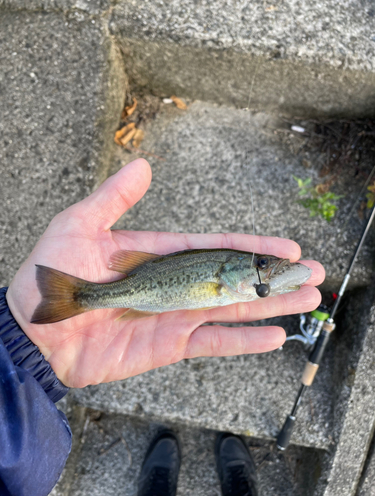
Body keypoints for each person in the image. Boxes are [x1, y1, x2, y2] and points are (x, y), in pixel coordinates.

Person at [0, 158, 325, 496]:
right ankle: (79, 296)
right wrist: (21, 329)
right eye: (260, 263)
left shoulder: (232, 286)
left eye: (262, 264)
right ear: (228, 274)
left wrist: (17, 331)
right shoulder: (222, 283)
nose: (263, 267)